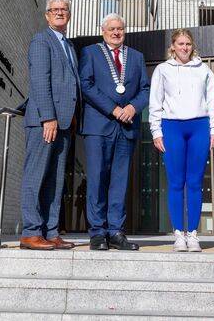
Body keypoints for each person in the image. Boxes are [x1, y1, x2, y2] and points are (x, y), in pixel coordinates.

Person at [79, 13, 150, 251]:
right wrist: (113, 109)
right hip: (99, 125)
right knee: (98, 178)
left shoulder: (137, 57)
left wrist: (131, 107)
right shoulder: (90, 52)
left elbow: (145, 89)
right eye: (112, 28)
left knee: (120, 181)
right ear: (103, 31)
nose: (116, 32)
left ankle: (116, 231)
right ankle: (97, 232)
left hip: (127, 126)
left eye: (120, 28)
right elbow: (86, 85)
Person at [149, 29, 214, 252]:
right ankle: (179, 234)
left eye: (188, 43)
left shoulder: (204, 70)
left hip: (199, 126)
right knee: (176, 182)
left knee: (196, 182)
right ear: (173, 46)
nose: (184, 47)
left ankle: (194, 235)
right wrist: (156, 132)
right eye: (180, 43)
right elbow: (155, 102)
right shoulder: (162, 70)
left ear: (192, 46)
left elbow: (212, 102)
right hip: (172, 127)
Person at [19, 0, 80, 250]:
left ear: (69, 14)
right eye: (54, 10)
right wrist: (48, 117)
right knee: (36, 176)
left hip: (63, 124)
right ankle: (31, 232)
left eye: (63, 9)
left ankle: (51, 230)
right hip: (45, 121)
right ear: (47, 15)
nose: (59, 13)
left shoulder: (69, 46)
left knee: (55, 180)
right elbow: (39, 81)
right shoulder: (41, 41)